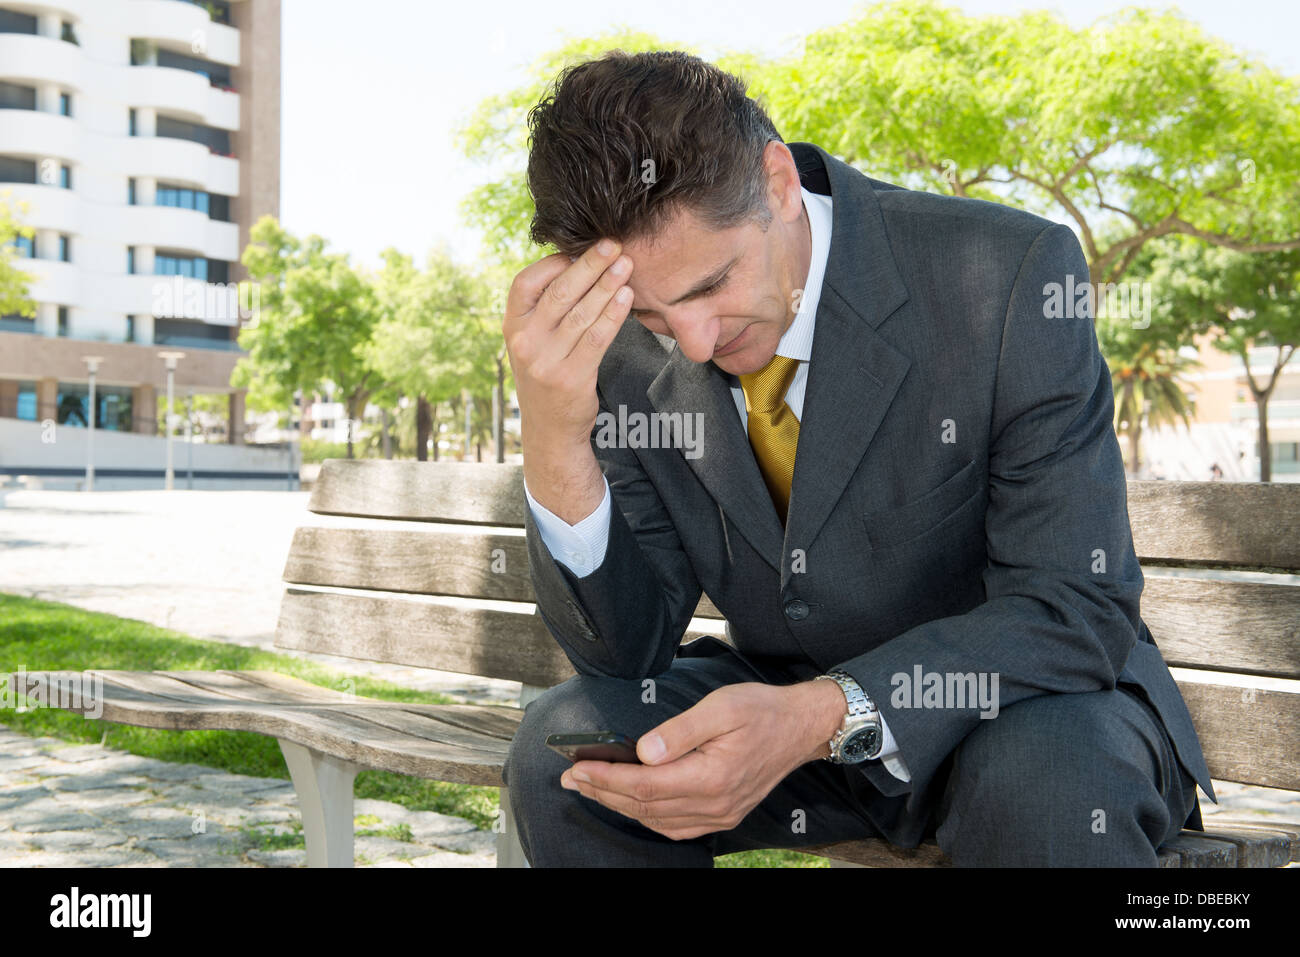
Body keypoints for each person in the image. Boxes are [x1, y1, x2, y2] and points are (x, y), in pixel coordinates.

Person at [500, 50, 1214, 866]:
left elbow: (1074, 605)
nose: (695, 341)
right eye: (658, 316)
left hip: (1028, 706)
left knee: (1041, 781)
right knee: (563, 756)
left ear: (777, 184)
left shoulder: (1008, 276)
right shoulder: (621, 351)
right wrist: (554, 433)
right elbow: (623, 652)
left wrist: (821, 713)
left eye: (710, 285)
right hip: (792, 719)